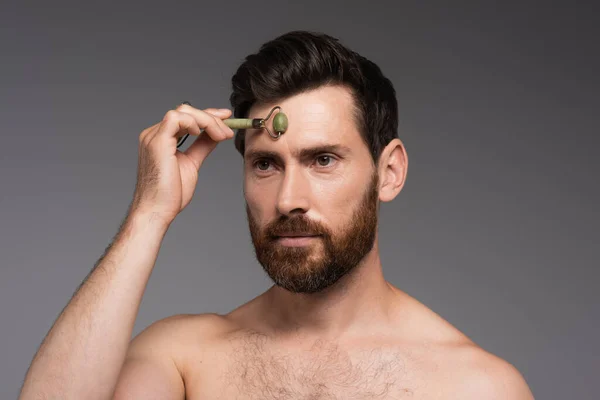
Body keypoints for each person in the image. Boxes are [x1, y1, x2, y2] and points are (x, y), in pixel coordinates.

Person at [19, 31, 534, 399]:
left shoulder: (476, 386)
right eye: (265, 163)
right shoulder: (183, 362)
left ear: (390, 172)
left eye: (323, 160)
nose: (289, 198)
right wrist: (148, 215)